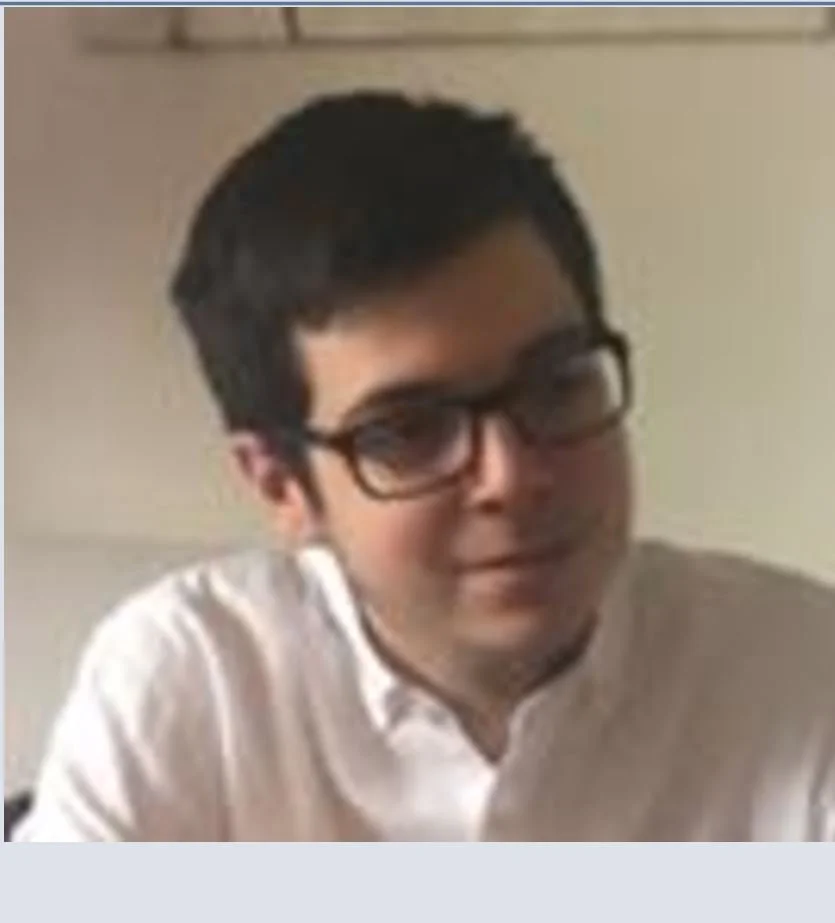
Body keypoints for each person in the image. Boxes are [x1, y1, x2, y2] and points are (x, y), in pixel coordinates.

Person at [16, 91, 835, 841]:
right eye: (408, 430)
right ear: (280, 483)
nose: (511, 476)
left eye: (555, 385)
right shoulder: (193, 678)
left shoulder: (799, 673)